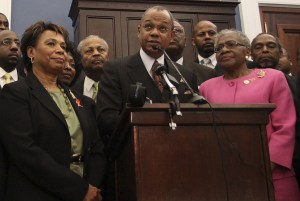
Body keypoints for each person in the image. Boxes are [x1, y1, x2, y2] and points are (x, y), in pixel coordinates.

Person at [0, 21, 106, 201]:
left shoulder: (83, 101)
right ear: (31, 52)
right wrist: (79, 189)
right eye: (51, 44)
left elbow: (96, 149)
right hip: (36, 193)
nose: (60, 50)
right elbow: (26, 152)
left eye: (63, 46)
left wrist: (92, 187)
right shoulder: (15, 93)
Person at [199, 29, 300, 201]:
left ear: (247, 51)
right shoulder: (206, 87)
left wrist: (269, 163)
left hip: (274, 175)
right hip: (226, 178)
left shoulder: (273, 77)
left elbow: (285, 125)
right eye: (219, 48)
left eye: (231, 45)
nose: (224, 50)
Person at [97, 5, 198, 143]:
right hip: (135, 150)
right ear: (139, 31)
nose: (154, 33)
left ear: (171, 35)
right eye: (149, 27)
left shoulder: (186, 75)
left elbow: (195, 120)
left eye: (162, 28)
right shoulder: (115, 70)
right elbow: (106, 121)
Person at [165, 20, 215, 86]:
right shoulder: (152, 70)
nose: (173, 34)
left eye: (178, 30)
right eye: (168, 30)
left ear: (185, 41)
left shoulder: (207, 73)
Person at [73, 35, 109, 101]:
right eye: (89, 51)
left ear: (108, 56)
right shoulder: (72, 91)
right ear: (80, 59)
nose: (96, 53)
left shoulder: (121, 86)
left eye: (101, 49)